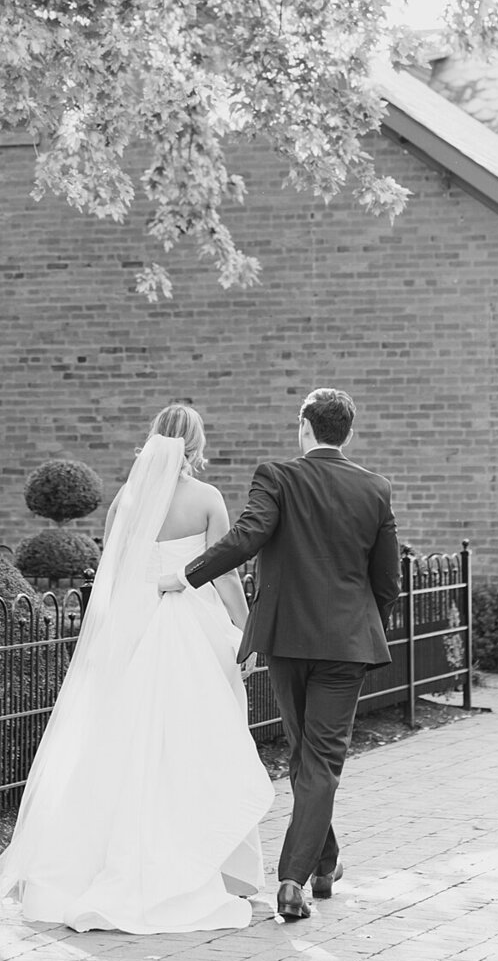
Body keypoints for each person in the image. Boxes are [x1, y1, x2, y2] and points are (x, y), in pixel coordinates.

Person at [0, 403, 275, 932]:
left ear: (153, 439)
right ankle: (207, 866)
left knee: (121, 741)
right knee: (195, 743)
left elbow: (112, 575)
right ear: (196, 445)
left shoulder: (127, 501)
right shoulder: (207, 499)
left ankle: (101, 858)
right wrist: (248, 630)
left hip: (135, 629)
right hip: (191, 630)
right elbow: (226, 577)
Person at [160, 387, 400, 922]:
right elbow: (388, 582)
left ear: (304, 427)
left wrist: (182, 576)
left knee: (306, 756)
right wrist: (362, 628)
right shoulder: (375, 489)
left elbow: (247, 538)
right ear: (348, 433)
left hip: (287, 641)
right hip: (346, 645)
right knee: (318, 759)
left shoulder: (276, 476)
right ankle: (309, 870)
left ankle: (305, 872)